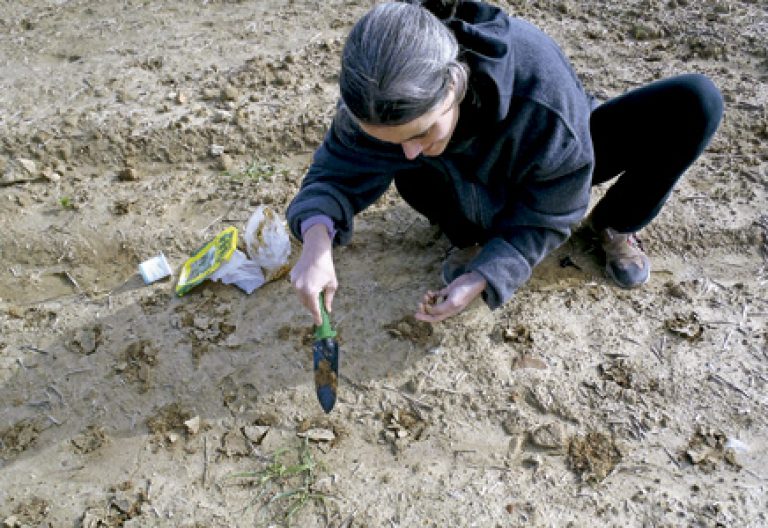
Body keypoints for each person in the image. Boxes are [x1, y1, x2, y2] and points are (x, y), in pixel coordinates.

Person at [286, 0, 723, 325]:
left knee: (695, 102)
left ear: (455, 84)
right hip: (455, 188)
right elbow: (336, 172)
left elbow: (557, 205)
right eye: (391, 141)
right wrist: (317, 241)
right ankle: (472, 237)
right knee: (417, 164)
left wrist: (489, 274)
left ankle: (615, 223)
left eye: (422, 131)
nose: (408, 152)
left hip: (542, 168)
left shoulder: (539, 91)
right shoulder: (379, 98)